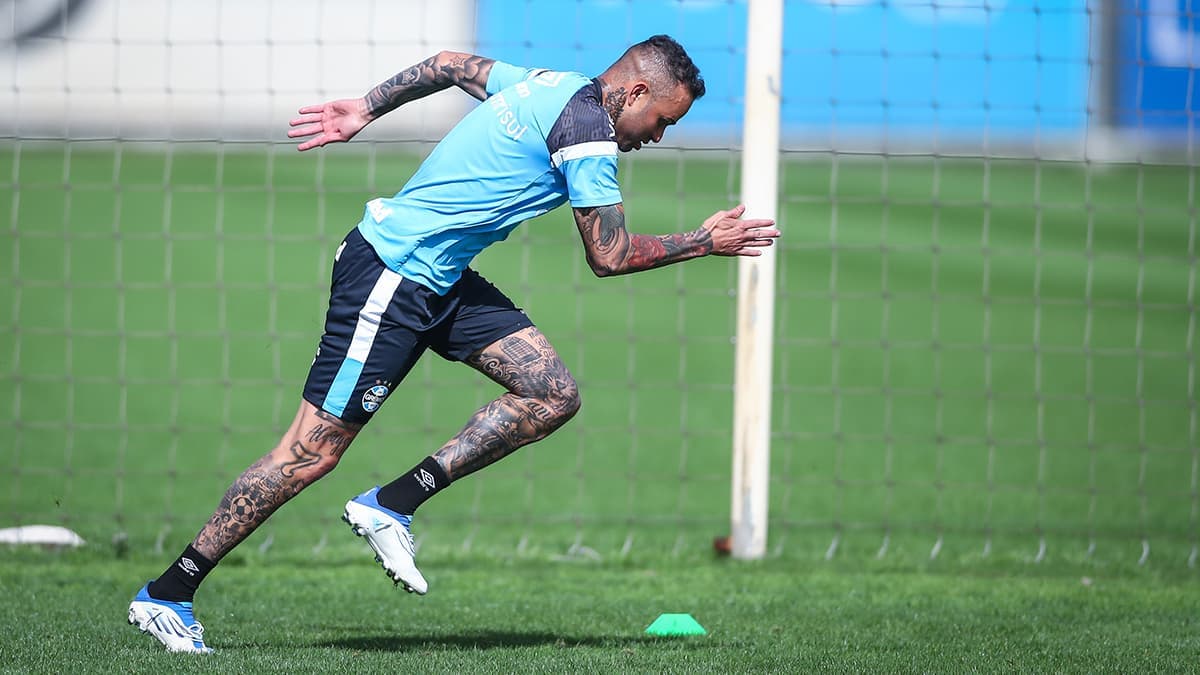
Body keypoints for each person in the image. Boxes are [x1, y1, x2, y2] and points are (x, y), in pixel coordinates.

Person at [126, 34, 779, 653]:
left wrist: (366, 107)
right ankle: (169, 591)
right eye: (662, 121)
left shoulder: (550, 84)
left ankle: (391, 504)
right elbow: (607, 256)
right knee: (310, 452)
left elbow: (446, 64)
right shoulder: (587, 133)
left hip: (437, 282)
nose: (658, 137)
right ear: (635, 92)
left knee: (552, 392)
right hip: (391, 276)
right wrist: (705, 241)